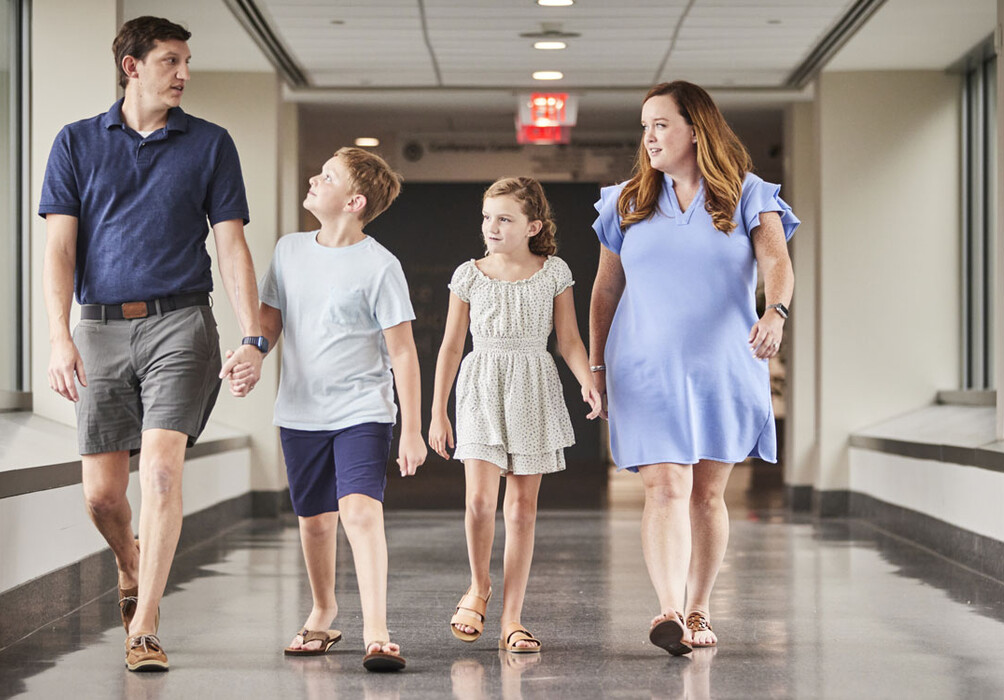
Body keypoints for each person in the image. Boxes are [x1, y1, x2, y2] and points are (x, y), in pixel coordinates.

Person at [39, 16, 267, 672]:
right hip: (100, 326)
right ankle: (131, 561)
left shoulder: (210, 144)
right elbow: (59, 249)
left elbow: (231, 247)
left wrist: (252, 336)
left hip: (180, 323)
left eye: (186, 61)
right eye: (171, 61)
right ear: (131, 65)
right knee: (103, 498)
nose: (184, 73)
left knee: (163, 470)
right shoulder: (78, 142)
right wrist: (60, 338)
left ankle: (145, 622)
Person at [588, 81, 798, 655]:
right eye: (644, 126)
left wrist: (774, 312)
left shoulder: (750, 195)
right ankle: (670, 611)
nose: (648, 137)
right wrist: (596, 365)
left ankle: (701, 606)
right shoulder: (625, 200)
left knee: (706, 493)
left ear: (695, 130)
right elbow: (607, 288)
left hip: (723, 365)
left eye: (660, 124)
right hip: (645, 367)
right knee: (665, 486)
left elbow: (776, 261)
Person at [238, 147, 426, 672]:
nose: (314, 179)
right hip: (299, 411)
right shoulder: (290, 250)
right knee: (315, 522)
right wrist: (252, 351)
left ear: (354, 201)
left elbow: (403, 352)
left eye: (328, 177)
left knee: (360, 512)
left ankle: (377, 631)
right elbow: (270, 320)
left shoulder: (380, 266)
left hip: (362, 409)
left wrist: (411, 428)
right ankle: (323, 612)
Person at [428, 177, 601, 654]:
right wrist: (437, 412)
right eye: (487, 217)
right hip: (481, 384)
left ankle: (512, 618)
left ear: (533, 226)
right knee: (481, 503)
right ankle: (478, 587)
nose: (492, 227)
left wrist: (587, 379)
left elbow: (568, 339)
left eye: (504, 219)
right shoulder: (469, 274)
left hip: (533, 384)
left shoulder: (554, 272)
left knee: (521, 510)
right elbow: (450, 345)